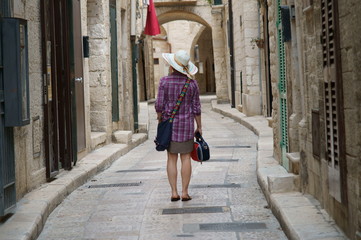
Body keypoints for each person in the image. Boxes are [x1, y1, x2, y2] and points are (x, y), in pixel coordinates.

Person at [155, 50, 202, 202]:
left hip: (170, 125)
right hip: (187, 125)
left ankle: (174, 192)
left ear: (172, 66)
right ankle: (185, 192)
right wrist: (199, 126)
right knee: (186, 157)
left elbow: (159, 105)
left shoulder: (164, 82)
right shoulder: (192, 83)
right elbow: (196, 108)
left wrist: (160, 120)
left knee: (171, 158)